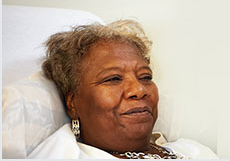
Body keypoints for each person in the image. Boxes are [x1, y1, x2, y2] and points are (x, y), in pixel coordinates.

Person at [28, 20, 218, 159]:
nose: (139, 89)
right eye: (113, 79)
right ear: (72, 103)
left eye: (146, 77)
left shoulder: (193, 151)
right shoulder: (64, 155)